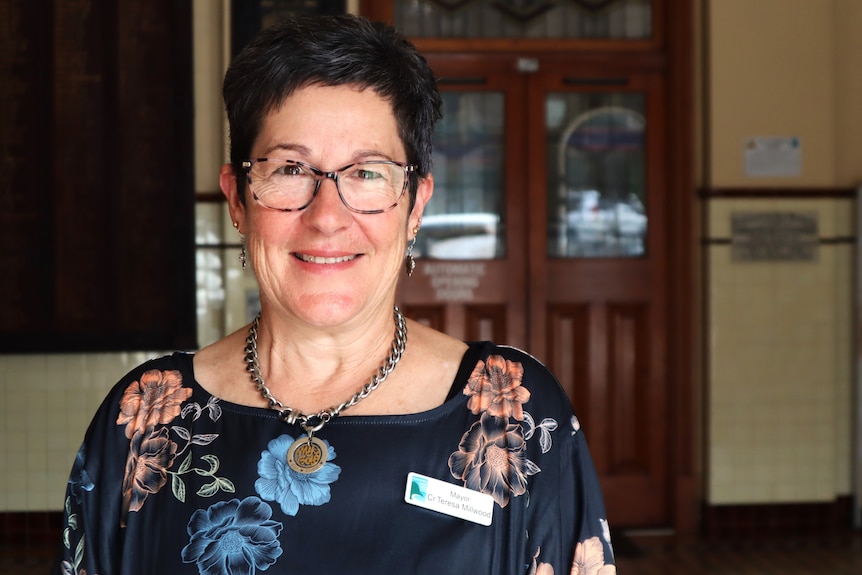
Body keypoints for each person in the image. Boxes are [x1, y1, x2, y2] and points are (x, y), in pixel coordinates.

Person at [53, 13, 616, 575]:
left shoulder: (514, 412)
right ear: (238, 200)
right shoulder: (147, 419)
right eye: (291, 169)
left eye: (368, 173)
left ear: (415, 204)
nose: (326, 218)